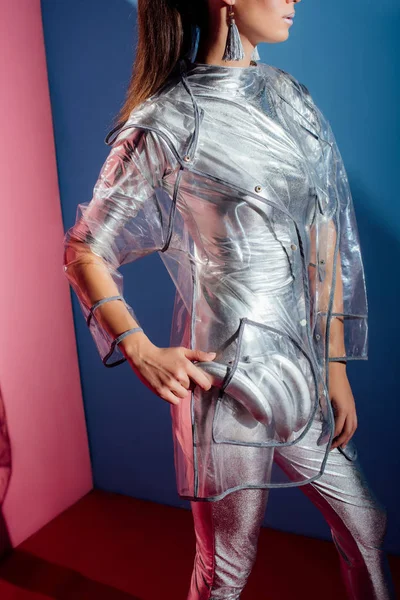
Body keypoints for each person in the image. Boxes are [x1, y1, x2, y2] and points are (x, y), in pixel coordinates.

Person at [62, 0, 396, 598]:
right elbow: (85, 248)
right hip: (222, 381)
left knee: (367, 525)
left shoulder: (292, 100)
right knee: (225, 573)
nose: (294, 1)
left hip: (301, 371)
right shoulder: (169, 118)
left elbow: (325, 237)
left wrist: (336, 366)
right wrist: (137, 347)